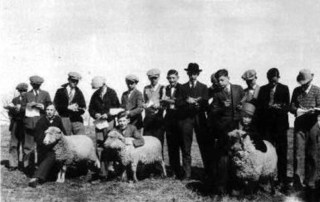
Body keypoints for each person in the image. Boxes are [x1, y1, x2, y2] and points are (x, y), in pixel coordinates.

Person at [210, 69, 244, 193]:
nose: (220, 82)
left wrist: (241, 106)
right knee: (224, 156)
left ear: (228, 78)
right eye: (218, 80)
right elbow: (213, 110)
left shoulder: (238, 89)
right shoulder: (217, 93)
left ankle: (237, 184)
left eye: (222, 80)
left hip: (238, 127)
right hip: (224, 129)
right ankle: (223, 185)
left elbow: (245, 101)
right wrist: (221, 107)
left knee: (237, 154)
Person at [176, 63, 212, 180]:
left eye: (195, 74)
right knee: (186, 146)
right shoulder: (182, 87)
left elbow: (206, 103)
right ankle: (187, 173)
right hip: (186, 119)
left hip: (200, 118)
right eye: (191, 74)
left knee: (204, 145)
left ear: (198, 74)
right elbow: (178, 103)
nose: (193, 76)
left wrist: (198, 103)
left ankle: (208, 172)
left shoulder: (204, 87)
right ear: (187, 74)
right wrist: (187, 101)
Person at [256, 68, 290, 188]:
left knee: (282, 153)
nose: (273, 83)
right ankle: (267, 180)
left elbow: (288, 107)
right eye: (271, 81)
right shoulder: (263, 89)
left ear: (278, 78)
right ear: (268, 79)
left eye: (275, 81)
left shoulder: (284, 88)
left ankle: (282, 180)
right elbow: (259, 107)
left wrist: (279, 107)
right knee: (268, 154)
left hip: (280, 127)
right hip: (267, 127)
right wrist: (269, 106)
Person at [290, 69, 320, 194]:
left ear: (311, 80)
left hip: (312, 125)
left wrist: (315, 110)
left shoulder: (317, 90)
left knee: (312, 153)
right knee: (298, 153)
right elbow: (291, 107)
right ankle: (297, 181)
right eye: (302, 82)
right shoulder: (296, 91)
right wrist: (297, 110)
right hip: (300, 125)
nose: (304, 84)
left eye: (306, 82)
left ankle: (311, 181)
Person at [89, 76, 120, 180]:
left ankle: (111, 169)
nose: (99, 89)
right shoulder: (95, 94)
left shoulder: (112, 93)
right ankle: (102, 172)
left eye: (100, 87)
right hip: (99, 124)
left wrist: (108, 115)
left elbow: (117, 108)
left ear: (104, 84)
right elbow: (90, 109)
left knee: (110, 145)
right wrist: (95, 114)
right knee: (100, 145)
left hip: (109, 122)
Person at [28, 104, 66, 187]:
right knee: (52, 155)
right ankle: (36, 177)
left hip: (56, 146)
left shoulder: (58, 119)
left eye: (51, 110)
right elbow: (38, 138)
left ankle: (54, 174)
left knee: (58, 153)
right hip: (44, 147)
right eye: (47, 110)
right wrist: (49, 144)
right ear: (45, 111)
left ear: (55, 112)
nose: (49, 112)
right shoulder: (41, 121)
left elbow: (63, 133)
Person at [21, 75, 52, 169]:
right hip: (29, 124)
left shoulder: (45, 94)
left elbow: (51, 106)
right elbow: (21, 109)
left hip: (41, 124)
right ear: (31, 84)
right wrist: (27, 106)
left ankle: (41, 165)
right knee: (28, 146)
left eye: (39, 85)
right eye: (35, 85)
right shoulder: (26, 95)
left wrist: (44, 107)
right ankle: (27, 167)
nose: (37, 86)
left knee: (41, 145)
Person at [161, 69, 183, 178]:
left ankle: (181, 171)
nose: (171, 80)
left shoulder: (182, 88)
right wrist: (167, 100)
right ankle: (174, 170)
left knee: (181, 145)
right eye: (169, 78)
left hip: (179, 119)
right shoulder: (166, 89)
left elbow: (179, 101)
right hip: (169, 119)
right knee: (171, 146)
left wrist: (167, 100)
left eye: (173, 78)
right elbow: (163, 102)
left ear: (178, 77)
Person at [5, 83, 28, 170]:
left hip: (25, 124)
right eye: (20, 91)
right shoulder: (15, 99)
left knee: (26, 145)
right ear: (18, 91)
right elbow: (10, 113)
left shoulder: (29, 99)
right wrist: (11, 109)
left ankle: (26, 165)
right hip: (15, 123)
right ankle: (13, 164)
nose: (22, 92)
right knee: (14, 144)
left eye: (24, 91)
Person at [143, 68, 165, 146]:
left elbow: (164, 104)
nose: (153, 80)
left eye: (155, 78)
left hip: (158, 119)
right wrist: (145, 105)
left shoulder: (162, 88)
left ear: (158, 77)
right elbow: (145, 101)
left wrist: (158, 106)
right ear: (149, 78)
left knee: (158, 143)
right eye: (151, 78)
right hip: (148, 119)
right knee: (147, 143)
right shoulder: (146, 88)